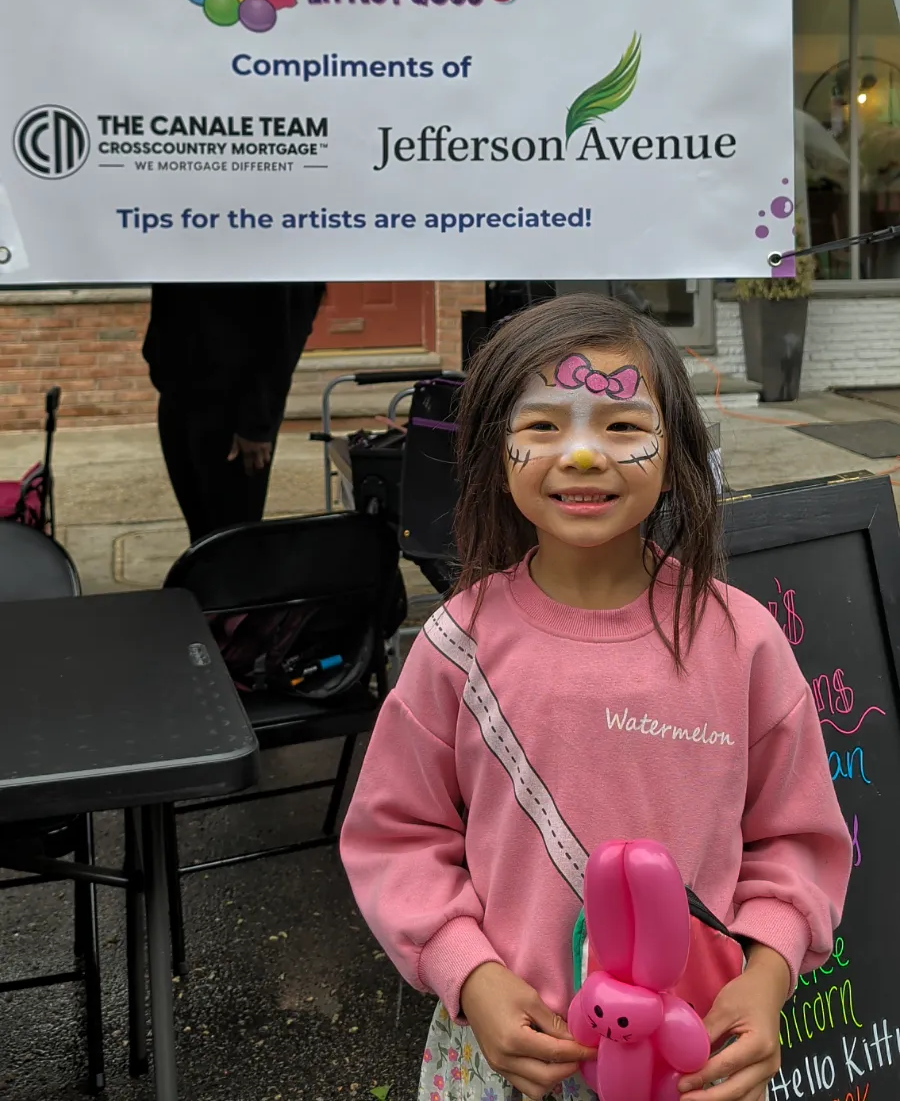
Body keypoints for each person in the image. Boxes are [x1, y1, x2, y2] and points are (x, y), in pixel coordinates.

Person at [340, 294, 852, 1101]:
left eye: (620, 426)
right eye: (543, 426)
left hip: (695, 1058)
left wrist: (766, 977)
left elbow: (795, 842)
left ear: (677, 447)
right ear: (494, 453)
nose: (582, 456)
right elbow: (397, 835)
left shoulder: (741, 641)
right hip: (511, 1060)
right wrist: (468, 974)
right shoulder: (455, 646)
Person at [143, 282, 325, 543]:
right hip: (178, 389)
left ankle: (233, 582)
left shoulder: (279, 252)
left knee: (232, 537)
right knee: (202, 534)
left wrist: (257, 421)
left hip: (234, 406)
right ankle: (204, 582)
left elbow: (284, 327)